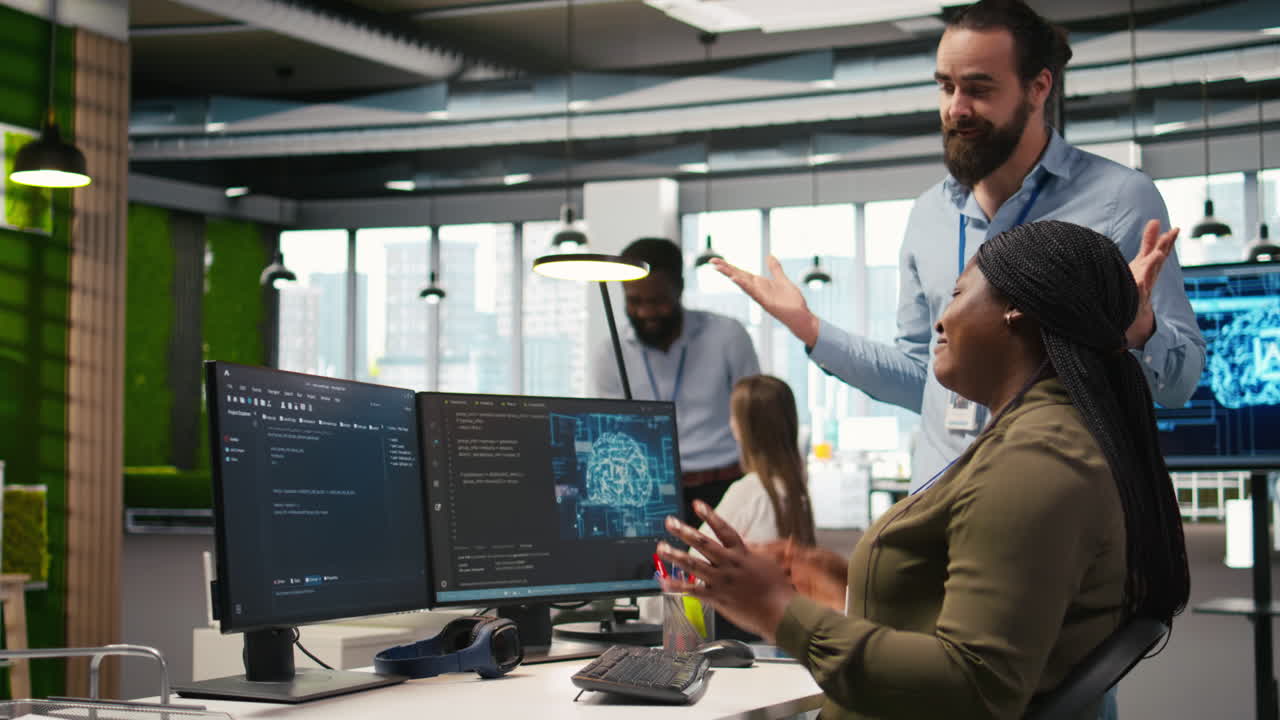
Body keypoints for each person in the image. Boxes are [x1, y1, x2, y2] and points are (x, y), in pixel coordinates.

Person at [657, 219, 1191, 720]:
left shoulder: (1037, 457)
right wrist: (852, 584)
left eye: (957, 295)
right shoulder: (1046, 437)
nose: (940, 319)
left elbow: (974, 682)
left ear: (1016, 310)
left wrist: (776, 609)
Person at [713, 0, 1205, 495]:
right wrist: (810, 328)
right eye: (946, 87)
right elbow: (920, 377)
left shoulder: (1120, 200)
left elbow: (1179, 385)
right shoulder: (929, 215)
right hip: (941, 503)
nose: (956, 108)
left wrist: (1140, 330)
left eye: (978, 89)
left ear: (1038, 88)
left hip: (1058, 508)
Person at [591, 237, 760, 524]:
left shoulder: (727, 336)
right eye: (635, 301)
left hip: (723, 485)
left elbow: (753, 417)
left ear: (679, 289)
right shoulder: (611, 352)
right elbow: (612, 432)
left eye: (657, 301)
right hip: (651, 492)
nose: (646, 312)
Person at [703, 374, 816, 548]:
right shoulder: (796, 490)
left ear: (745, 428)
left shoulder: (749, 490)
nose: (731, 424)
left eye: (734, 416)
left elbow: (697, 552)